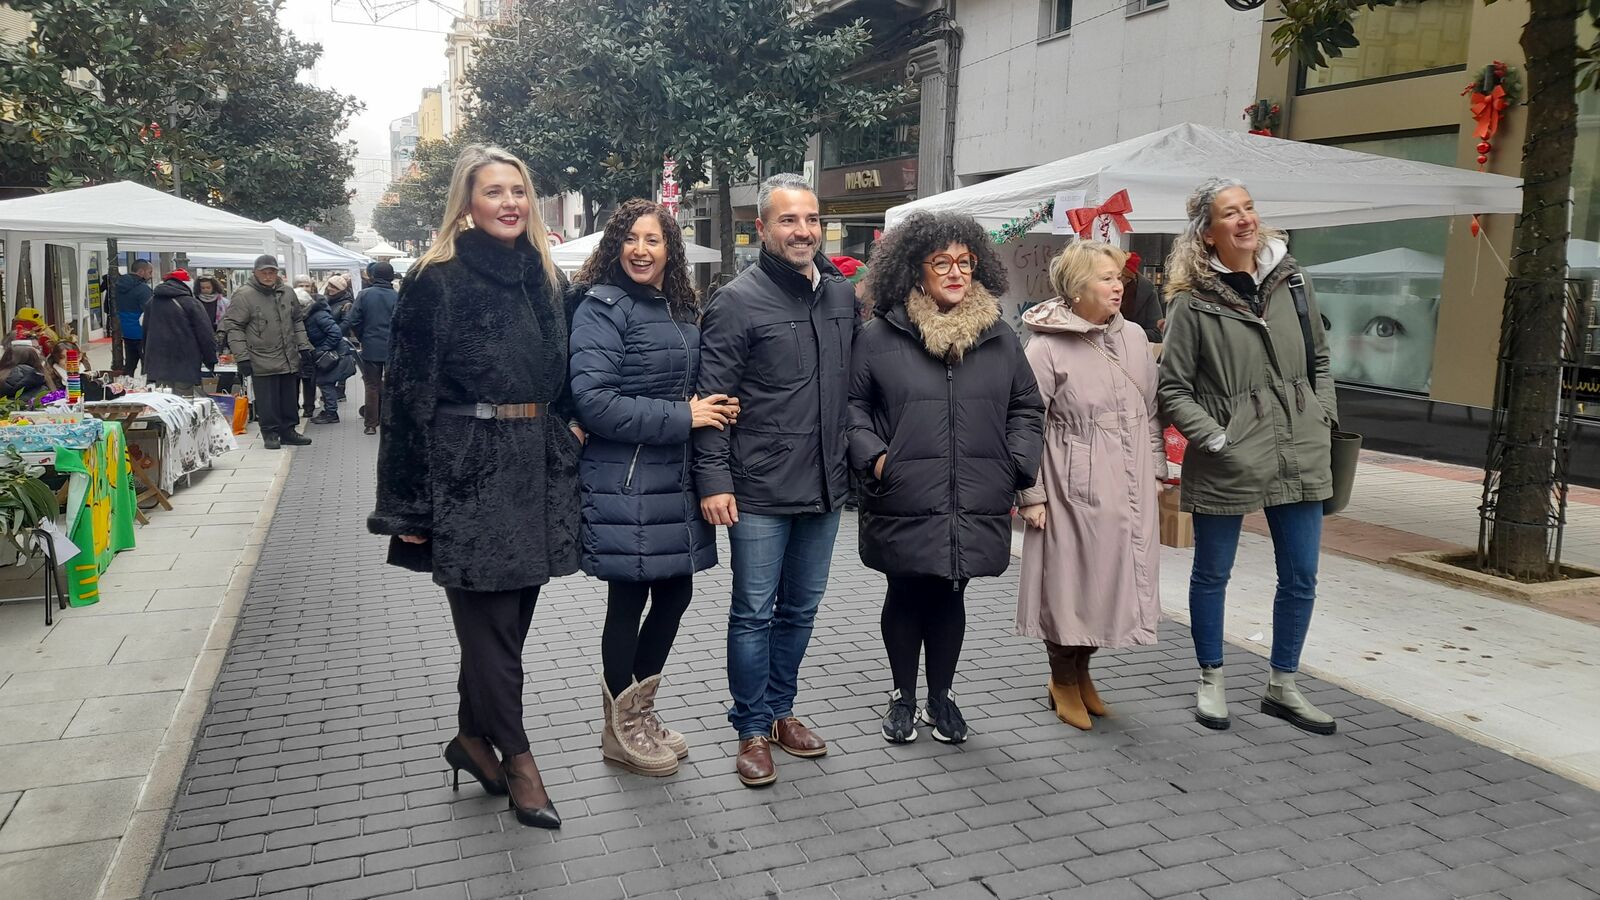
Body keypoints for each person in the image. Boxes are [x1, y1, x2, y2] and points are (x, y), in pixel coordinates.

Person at [368, 143, 579, 829]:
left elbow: (566, 374)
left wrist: (568, 428)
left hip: (535, 473)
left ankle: (470, 739)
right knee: (492, 637)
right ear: (466, 202)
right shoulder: (437, 279)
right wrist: (406, 503)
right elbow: (405, 398)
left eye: (518, 190)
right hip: (468, 473)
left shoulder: (546, 276)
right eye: (494, 192)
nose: (511, 203)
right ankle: (518, 760)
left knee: (505, 633)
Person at [848, 211, 1043, 745]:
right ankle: (902, 697)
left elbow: (1027, 408)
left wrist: (1015, 464)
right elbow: (852, 408)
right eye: (942, 263)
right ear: (917, 271)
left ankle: (942, 696)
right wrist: (877, 458)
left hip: (975, 492)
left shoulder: (999, 336)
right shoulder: (878, 335)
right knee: (906, 592)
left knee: (951, 595)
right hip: (903, 491)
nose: (956, 273)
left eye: (965, 262)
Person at [1157, 177, 1339, 735]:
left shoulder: (1295, 282)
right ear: (1208, 233)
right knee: (1213, 572)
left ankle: (1283, 685)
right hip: (1228, 453)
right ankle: (1211, 678)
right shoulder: (1192, 302)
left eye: (1250, 208)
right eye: (1230, 213)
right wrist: (1215, 439)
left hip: (1299, 446)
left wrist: (1323, 416)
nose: (1245, 219)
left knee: (1302, 575)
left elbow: (1321, 360)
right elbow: (1172, 389)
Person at [693, 173, 856, 788]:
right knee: (754, 612)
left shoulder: (841, 297)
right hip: (757, 488)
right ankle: (751, 728)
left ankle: (782, 711)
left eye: (811, 220)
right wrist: (713, 479)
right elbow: (711, 399)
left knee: (802, 610)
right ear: (761, 228)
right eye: (788, 220)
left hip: (825, 485)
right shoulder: (737, 301)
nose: (803, 231)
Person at [568, 199, 739, 777]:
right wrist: (683, 417)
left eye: (654, 240)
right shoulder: (601, 308)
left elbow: (686, 387)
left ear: (671, 249)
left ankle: (640, 712)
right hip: (627, 478)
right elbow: (594, 402)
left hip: (674, 476)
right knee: (629, 599)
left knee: (675, 594)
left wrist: (713, 409)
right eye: (631, 239)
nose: (641, 250)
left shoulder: (677, 308)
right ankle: (620, 728)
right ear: (615, 247)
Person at [1015, 241, 1165, 732]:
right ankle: (1061, 675)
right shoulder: (1045, 345)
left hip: (1129, 480)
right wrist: (1030, 494)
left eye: (1118, 276)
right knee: (1071, 583)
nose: (1117, 285)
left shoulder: (1137, 338)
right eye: (1103, 278)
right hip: (1069, 481)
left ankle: (1083, 671)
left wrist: (1157, 468)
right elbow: (1024, 424)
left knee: (1115, 582)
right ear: (1076, 289)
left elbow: (1149, 410)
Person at [221, 256, 314, 450]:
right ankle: (270, 433)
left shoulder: (287, 292)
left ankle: (288, 430)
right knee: (267, 398)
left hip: (288, 354)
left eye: (272, 272)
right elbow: (234, 326)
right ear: (255, 272)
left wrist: (304, 346)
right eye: (264, 272)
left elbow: (297, 320)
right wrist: (242, 356)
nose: (268, 275)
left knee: (289, 396)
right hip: (261, 355)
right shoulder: (244, 295)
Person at [142, 269, 218, 396]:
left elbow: (145, 334)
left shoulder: (151, 303)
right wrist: (210, 360)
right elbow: (205, 335)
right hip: (184, 364)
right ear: (187, 284)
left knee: (164, 402)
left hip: (159, 364)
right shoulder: (191, 303)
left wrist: (147, 362)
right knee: (183, 402)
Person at [347, 262, 399, 435]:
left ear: (373, 276)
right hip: (393, 348)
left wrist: (363, 337)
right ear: (391, 277)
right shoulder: (397, 296)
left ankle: (371, 424)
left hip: (371, 346)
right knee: (392, 385)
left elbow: (353, 320)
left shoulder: (364, 295)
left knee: (371, 386)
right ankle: (391, 420)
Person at [303, 288, 352, 424]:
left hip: (331, 353)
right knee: (325, 382)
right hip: (330, 351)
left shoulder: (318, 315)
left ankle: (331, 413)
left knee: (325, 382)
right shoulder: (317, 314)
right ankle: (330, 411)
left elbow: (335, 333)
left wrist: (323, 348)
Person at [323, 274, 358, 401]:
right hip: (329, 337)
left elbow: (347, 322)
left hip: (339, 338)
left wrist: (334, 333)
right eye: (329, 285)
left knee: (340, 365)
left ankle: (340, 391)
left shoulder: (346, 303)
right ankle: (332, 392)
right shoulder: (327, 300)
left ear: (341, 289)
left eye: (334, 287)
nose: (330, 288)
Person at [115, 260, 154, 375]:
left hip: (126, 331)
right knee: (146, 366)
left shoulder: (118, 287)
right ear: (141, 272)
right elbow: (150, 311)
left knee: (130, 365)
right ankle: (146, 389)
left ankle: (125, 388)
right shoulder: (143, 289)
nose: (151, 276)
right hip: (142, 332)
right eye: (150, 272)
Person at [1121, 251, 1165, 344]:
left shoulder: (1147, 292)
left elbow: (1157, 334)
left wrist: (1123, 335)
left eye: (1119, 277)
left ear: (1129, 279)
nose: (1114, 284)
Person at [292, 278, 321, 419]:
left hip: (308, 349)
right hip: (295, 349)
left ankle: (307, 407)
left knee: (308, 379)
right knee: (296, 380)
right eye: (300, 285)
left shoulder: (316, 308)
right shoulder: (292, 308)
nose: (304, 288)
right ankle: (296, 407)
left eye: (307, 285)